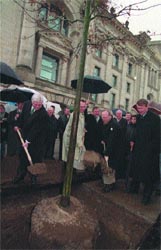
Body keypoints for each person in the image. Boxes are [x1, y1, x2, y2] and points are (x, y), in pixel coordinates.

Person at [13, 93, 50, 184]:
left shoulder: (43, 114)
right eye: (35, 104)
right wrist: (17, 125)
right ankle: (20, 175)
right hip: (25, 137)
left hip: (36, 141)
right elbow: (22, 118)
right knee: (23, 158)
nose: (37, 106)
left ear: (42, 103)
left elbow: (36, 129)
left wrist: (28, 141)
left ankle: (33, 177)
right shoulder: (27, 104)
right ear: (32, 102)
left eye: (39, 104)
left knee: (34, 159)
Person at [129, 99, 160, 205]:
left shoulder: (155, 119)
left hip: (150, 153)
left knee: (149, 175)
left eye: (141, 108)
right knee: (137, 170)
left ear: (147, 107)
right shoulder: (138, 118)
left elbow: (158, 137)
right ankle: (134, 188)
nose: (139, 110)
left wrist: (150, 148)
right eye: (138, 108)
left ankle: (147, 195)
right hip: (138, 150)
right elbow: (136, 132)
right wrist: (133, 140)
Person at [62, 100, 87, 172]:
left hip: (73, 138)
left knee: (71, 158)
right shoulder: (76, 115)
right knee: (72, 157)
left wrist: (83, 129)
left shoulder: (81, 114)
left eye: (84, 107)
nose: (83, 108)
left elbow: (79, 127)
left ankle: (70, 173)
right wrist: (80, 144)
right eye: (81, 107)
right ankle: (69, 176)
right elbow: (77, 131)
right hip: (71, 138)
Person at [101, 110, 121, 192]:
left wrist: (107, 152)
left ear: (110, 116)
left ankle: (109, 185)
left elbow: (112, 140)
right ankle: (109, 184)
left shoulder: (114, 125)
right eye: (102, 117)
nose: (103, 119)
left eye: (105, 117)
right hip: (109, 149)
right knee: (108, 167)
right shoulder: (107, 124)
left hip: (112, 151)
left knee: (109, 168)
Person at [113, 109, 127, 179]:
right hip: (114, 143)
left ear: (121, 115)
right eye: (117, 114)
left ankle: (119, 175)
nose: (118, 115)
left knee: (120, 159)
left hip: (121, 144)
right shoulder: (114, 120)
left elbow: (123, 130)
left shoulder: (125, 121)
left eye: (119, 114)